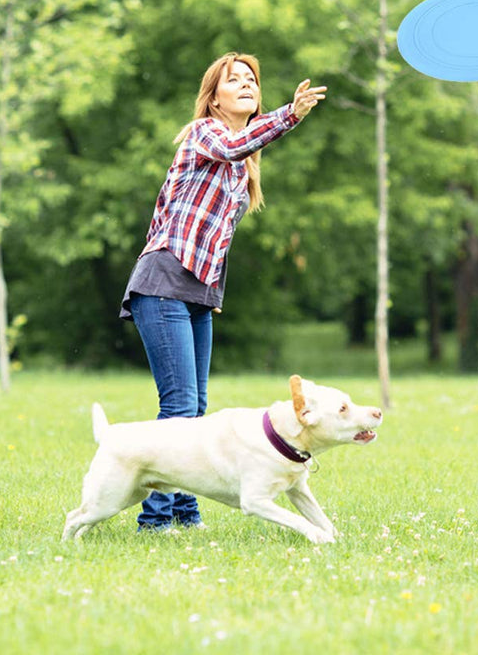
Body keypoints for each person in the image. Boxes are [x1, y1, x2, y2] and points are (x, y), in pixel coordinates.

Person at [120, 52, 327, 531]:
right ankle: (156, 520)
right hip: (165, 281)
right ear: (214, 99)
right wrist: (290, 114)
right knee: (178, 407)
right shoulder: (204, 136)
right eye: (234, 80)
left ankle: (185, 512)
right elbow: (235, 147)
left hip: (196, 290)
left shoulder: (242, 162)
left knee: (196, 411)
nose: (247, 84)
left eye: (252, 79)